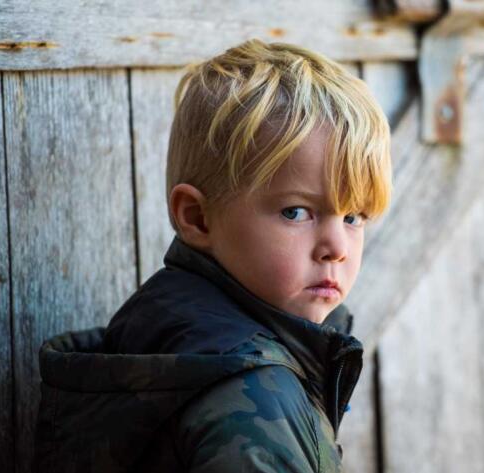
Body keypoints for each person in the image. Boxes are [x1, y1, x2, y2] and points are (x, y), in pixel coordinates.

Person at [33, 39, 392, 473]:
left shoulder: (168, 331)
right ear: (199, 218)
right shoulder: (252, 397)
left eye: (353, 216)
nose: (336, 248)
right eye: (296, 212)